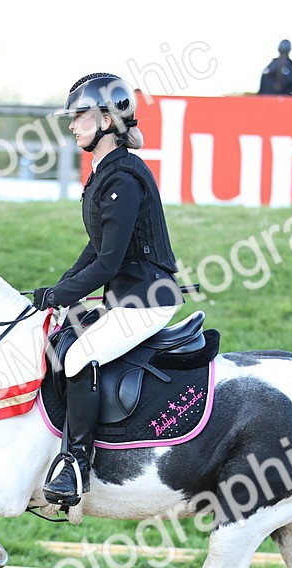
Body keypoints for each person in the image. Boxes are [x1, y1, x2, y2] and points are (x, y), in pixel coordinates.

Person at [31, 73, 184, 507]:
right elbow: (95, 246)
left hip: (147, 300)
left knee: (81, 355)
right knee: (61, 341)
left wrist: (62, 296)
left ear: (105, 120)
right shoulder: (106, 172)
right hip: (126, 296)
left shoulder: (123, 178)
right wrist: (59, 289)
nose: (73, 126)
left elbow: (109, 262)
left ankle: (76, 463)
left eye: (79, 117)